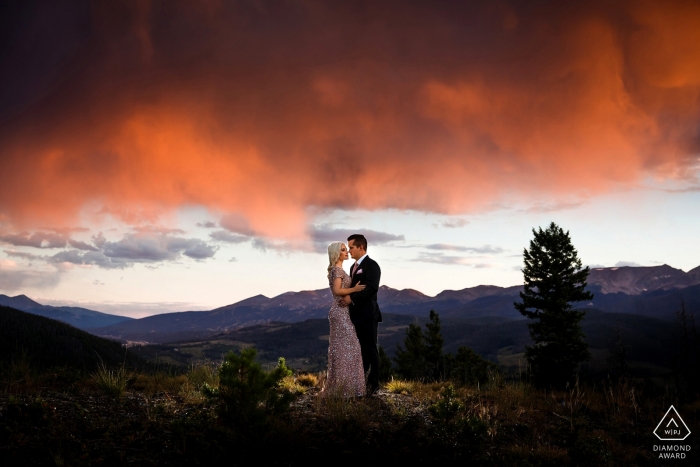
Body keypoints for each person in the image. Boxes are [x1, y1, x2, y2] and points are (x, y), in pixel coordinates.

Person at [321, 241, 367, 397]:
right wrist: (354, 289)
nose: (347, 251)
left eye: (346, 249)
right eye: (343, 250)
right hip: (340, 313)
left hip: (344, 312)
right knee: (345, 349)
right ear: (336, 254)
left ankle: (348, 389)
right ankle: (343, 390)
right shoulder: (336, 270)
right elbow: (337, 290)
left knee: (347, 348)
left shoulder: (340, 270)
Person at [342, 233, 383, 395]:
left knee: (371, 349)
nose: (349, 250)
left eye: (351, 247)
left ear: (361, 247)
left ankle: (374, 385)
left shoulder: (372, 266)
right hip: (356, 315)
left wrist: (352, 298)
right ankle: (362, 382)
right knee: (361, 351)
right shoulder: (353, 267)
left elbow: (372, 288)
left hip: (368, 314)